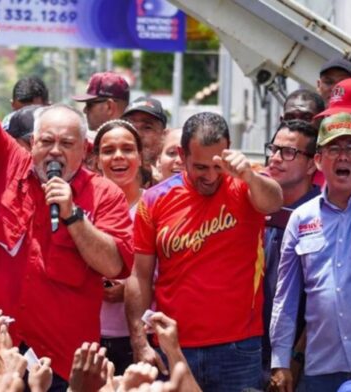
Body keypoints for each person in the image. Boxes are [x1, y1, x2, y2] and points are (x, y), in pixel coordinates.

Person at [0, 9, 134, 389]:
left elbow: (115, 265)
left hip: (64, 360)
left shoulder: (104, 195)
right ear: (32, 143)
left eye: (66, 143)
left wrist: (73, 216)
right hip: (2, 350)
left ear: (85, 149)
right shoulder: (7, 167)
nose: (54, 151)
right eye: (46, 142)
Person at [125, 112, 283, 391]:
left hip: (238, 348)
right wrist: (139, 342)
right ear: (182, 155)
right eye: (200, 167)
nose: (210, 177)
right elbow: (140, 276)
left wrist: (247, 174)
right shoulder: (154, 200)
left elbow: (272, 202)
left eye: (216, 166)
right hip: (173, 347)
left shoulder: (247, 182)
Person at [270, 113, 351, 392]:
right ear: (318, 161)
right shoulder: (301, 218)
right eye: (334, 149)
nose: (343, 157)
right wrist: (280, 360)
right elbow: (285, 297)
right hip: (323, 367)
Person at [262, 120, 320, 387]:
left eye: (288, 152)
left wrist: (295, 356)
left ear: (312, 164)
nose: (275, 158)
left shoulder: (324, 214)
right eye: (274, 149)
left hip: (307, 359)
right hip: (251, 352)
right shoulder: (255, 206)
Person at [93, 119, 144, 375]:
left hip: (142, 341)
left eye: (127, 149)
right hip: (88, 338)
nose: (118, 157)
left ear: (141, 157)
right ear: (95, 160)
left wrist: (132, 289)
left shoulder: (156, 206)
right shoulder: (77, 207)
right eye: (108, 150)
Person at [121, 97, 168, 186]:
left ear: (164, 135)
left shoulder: (174, 173)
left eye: (147, 127)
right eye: (130, 126)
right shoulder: (112, 174)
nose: (137, 134)